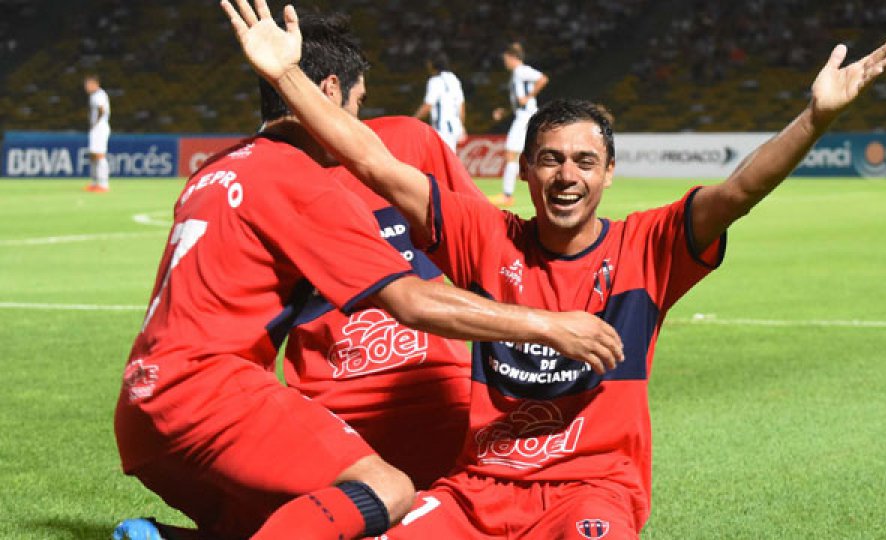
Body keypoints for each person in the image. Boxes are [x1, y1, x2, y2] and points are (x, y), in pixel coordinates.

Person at [223, 3, 886, 537]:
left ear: (608, 174)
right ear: (526, 170)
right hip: (477, 491)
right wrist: (287, 78)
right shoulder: (485, 236)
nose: (565, 175)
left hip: (591, 493)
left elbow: (737, 193)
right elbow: (372, 161)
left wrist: (814, 119)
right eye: (549, 159)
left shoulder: (650, 247)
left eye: (582, 161)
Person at [114, 7, 624, 540]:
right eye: (357, 106)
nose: (356, 127)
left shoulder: (215, 170)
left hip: (143, 406)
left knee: (311, 518)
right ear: (329, 93)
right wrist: (549, 325)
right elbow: (410, 302)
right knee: (388, 491)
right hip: (211, 395)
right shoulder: (300, 177)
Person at [283, 115, 484, 491]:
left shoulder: (410, 140)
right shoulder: (408, 140)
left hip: (427, 400)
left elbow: (483, 250)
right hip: (342, 414)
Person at [488, 42, 548, 207]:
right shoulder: (516, 73)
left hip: (526, 116)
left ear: (513, 58)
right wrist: (505, 111)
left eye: (506, 59)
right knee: (527, 154)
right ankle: (511, 193)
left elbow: (542, 79)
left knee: (512, 152)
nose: (505, 62)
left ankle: (507, 195)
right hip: (522, 115)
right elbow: (519, 101)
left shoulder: (522, 71)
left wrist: (528, 97)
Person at [413, 52, 466, 152]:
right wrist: (461, 125)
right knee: (449, 160)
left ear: (432, 64)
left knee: (439, 162)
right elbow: (461, 105)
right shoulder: (454, 79)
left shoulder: (435, 81)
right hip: (454, 128)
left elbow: (427, 106)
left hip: (442, 130)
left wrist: (413, 119)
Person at [84, 74, 111, 192]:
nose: (86, 87)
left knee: (100, 155)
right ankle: (95, 182)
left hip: (100, 128)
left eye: (88, 84)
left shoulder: (98, 95)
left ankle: (103, 184)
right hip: (96, 128)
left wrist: (96, 123)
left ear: (95, 84)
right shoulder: (95, 95)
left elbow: (102, 110)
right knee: (93, 155)